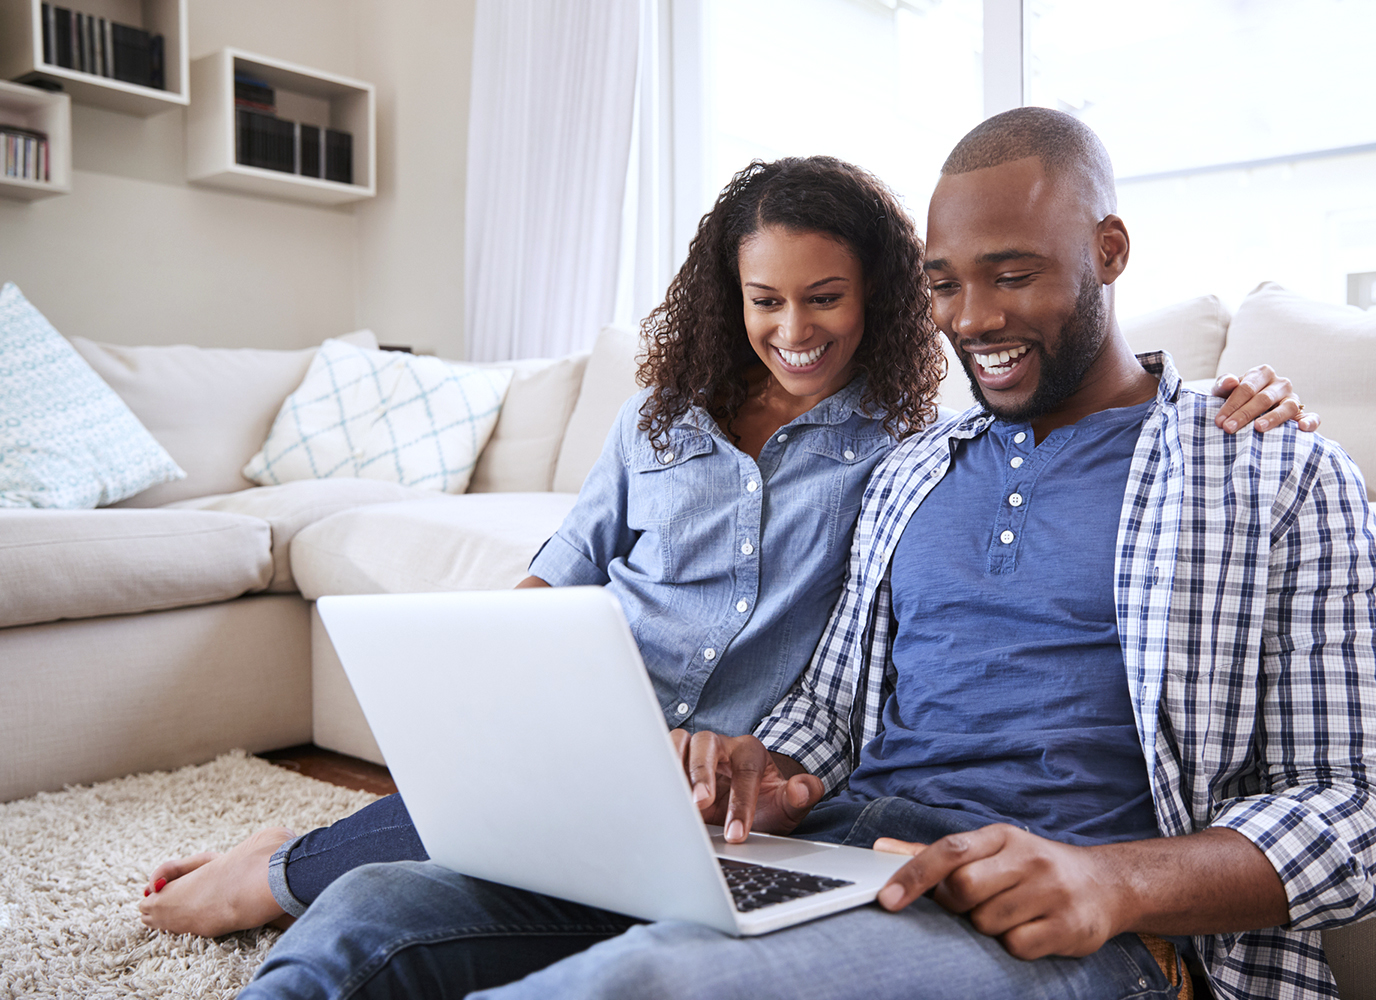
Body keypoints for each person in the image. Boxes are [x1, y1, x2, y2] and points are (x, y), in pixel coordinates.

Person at [142, 153, 1314, 943]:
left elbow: (1067, 414)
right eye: (765, 301)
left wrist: (1236, 392)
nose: (792, 331)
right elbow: (568, 568)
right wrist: (508, 679)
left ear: (883, 301)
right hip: (625, 728)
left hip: (736, 779)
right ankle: (312, 857)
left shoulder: (910, 446)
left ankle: (288, 860)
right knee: (416, 882)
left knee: (587, 889)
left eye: (826, 299)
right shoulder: (664, 422)